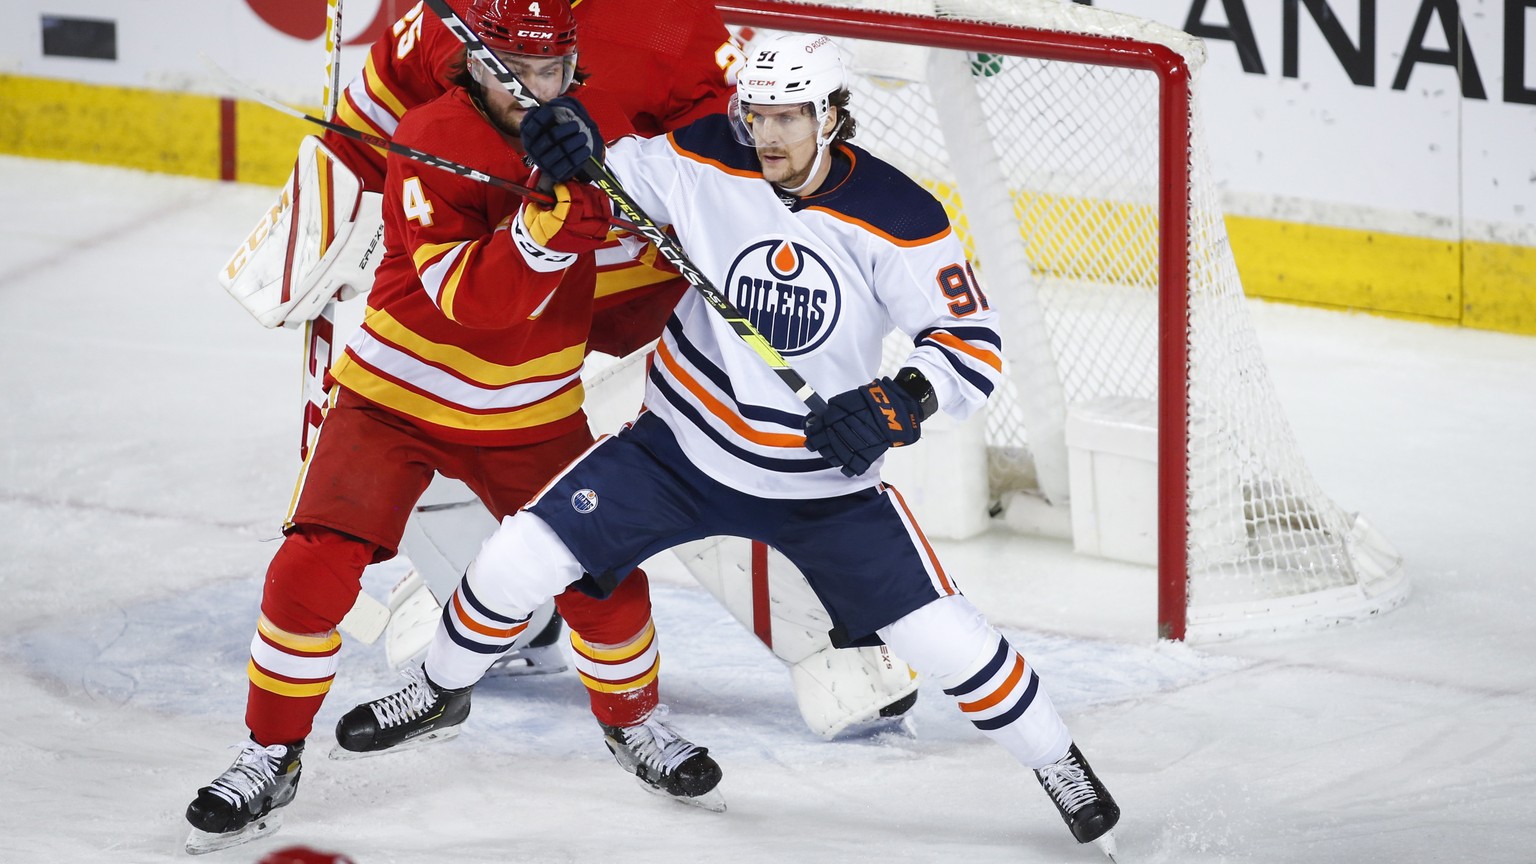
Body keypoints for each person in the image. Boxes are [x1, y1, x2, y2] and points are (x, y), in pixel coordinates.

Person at [338, 31, 1123, 853]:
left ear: (832, 115)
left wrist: (898, 402)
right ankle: (439, 690)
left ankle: (1058, 761)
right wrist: (566, 139)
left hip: (822, 486)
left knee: (948, 641)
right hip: (677, 453)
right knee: (517, 556)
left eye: (791, 116)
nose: (770, 135)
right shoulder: (705, 154)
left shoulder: (900, 215)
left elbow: (969, 343)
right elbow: (609, 177)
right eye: (757, 114)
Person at [183, 2, 724, 855]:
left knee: (607, 577)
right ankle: (268, 751)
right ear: (474, 62)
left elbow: (680, 207)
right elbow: (475, 303)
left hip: (532, 414)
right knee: (310, 572)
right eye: (514, 69)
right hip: (393, 399)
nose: (533, 89)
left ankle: (636, 725)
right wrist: (548, 224)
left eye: (551, 70)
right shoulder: (430, 136)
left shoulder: (606, 136)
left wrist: (612, 189)